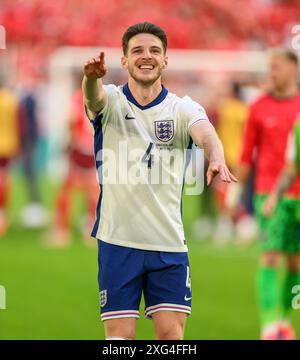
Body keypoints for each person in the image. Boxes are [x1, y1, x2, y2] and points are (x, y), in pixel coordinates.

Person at [82, 22, 236, 340]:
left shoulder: (182, 107)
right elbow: (93, 98)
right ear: (124, 60)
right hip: (118, 243)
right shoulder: (110, 101)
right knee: (119, 339)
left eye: (154, 50)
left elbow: (205, 131)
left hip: (168, 246)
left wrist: (216, 155)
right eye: (137, 50)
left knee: (171, 339)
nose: (146, 56)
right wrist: (91, 78)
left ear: (165, 59)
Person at [226, 49, 300, 340]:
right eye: (270, 67)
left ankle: (284, 320)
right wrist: (234, 195)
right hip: (268, 192)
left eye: (277, 67)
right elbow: (246, 156)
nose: (272, 73)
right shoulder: (257, 107)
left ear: (293, 69)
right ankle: (269, 325)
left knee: (295, 263)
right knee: (270, 256)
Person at [0, 78, 19, 236]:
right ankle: (2, 215)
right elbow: (17, 122)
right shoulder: (10, 99)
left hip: (5, 145)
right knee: (4, 181)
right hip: (6, 145)